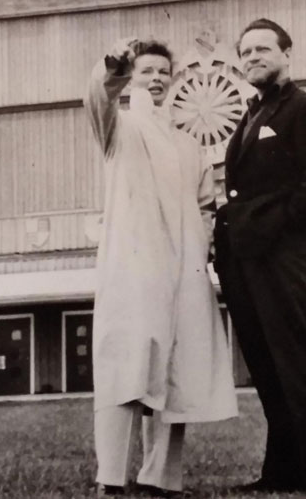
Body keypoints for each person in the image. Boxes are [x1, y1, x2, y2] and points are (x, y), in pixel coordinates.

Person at [83, 37, 238, 497]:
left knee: (178, 367)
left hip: (184, 268)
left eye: (162, 73)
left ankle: (161, 477)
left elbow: (206, 205)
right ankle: (111, 476)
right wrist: (114, 64)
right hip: (134, 265)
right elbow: (99, 97)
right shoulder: (120, 129)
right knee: (126, 362)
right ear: (132, 78)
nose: (155, 80)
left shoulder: (190, 146)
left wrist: (201, 244)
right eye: (146, 71)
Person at [214, 18, 306, 497]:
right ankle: (282, 472)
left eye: (262, 49)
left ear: (287, 53)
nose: (252, 58)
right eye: (245, 52)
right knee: (266, 364)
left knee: (294, 359)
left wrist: (275, 225)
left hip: (284, 250)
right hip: (243, 256)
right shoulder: (249, 115)